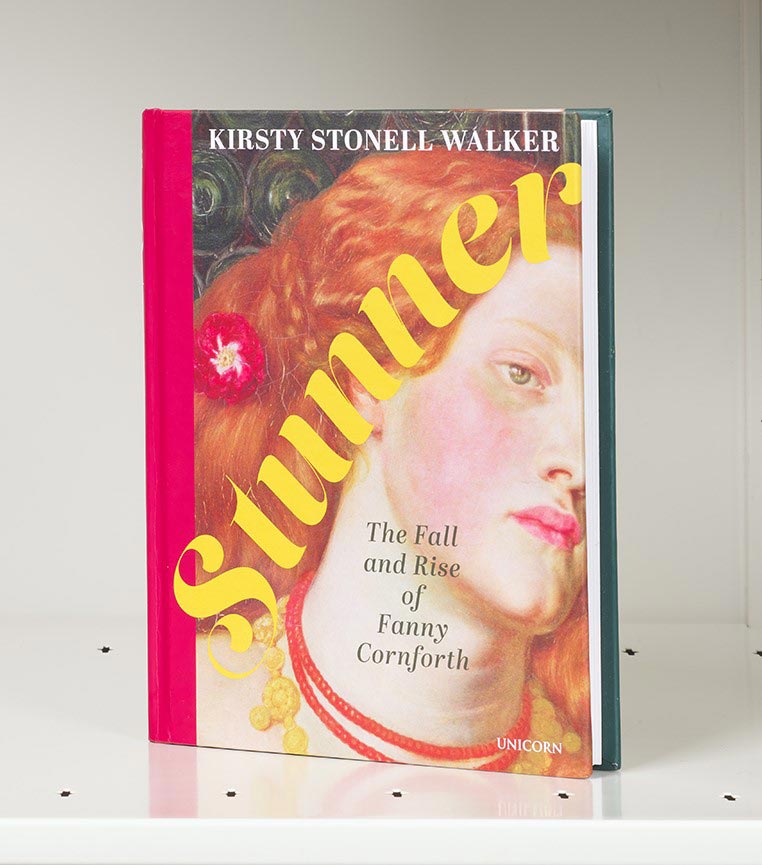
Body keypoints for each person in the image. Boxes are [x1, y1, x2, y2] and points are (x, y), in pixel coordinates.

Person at [192, 148, 592, 778]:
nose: (580, 463)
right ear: (370, 377)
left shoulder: (580, 753)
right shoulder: (197, 715)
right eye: (521, 374)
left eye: (597, 404)